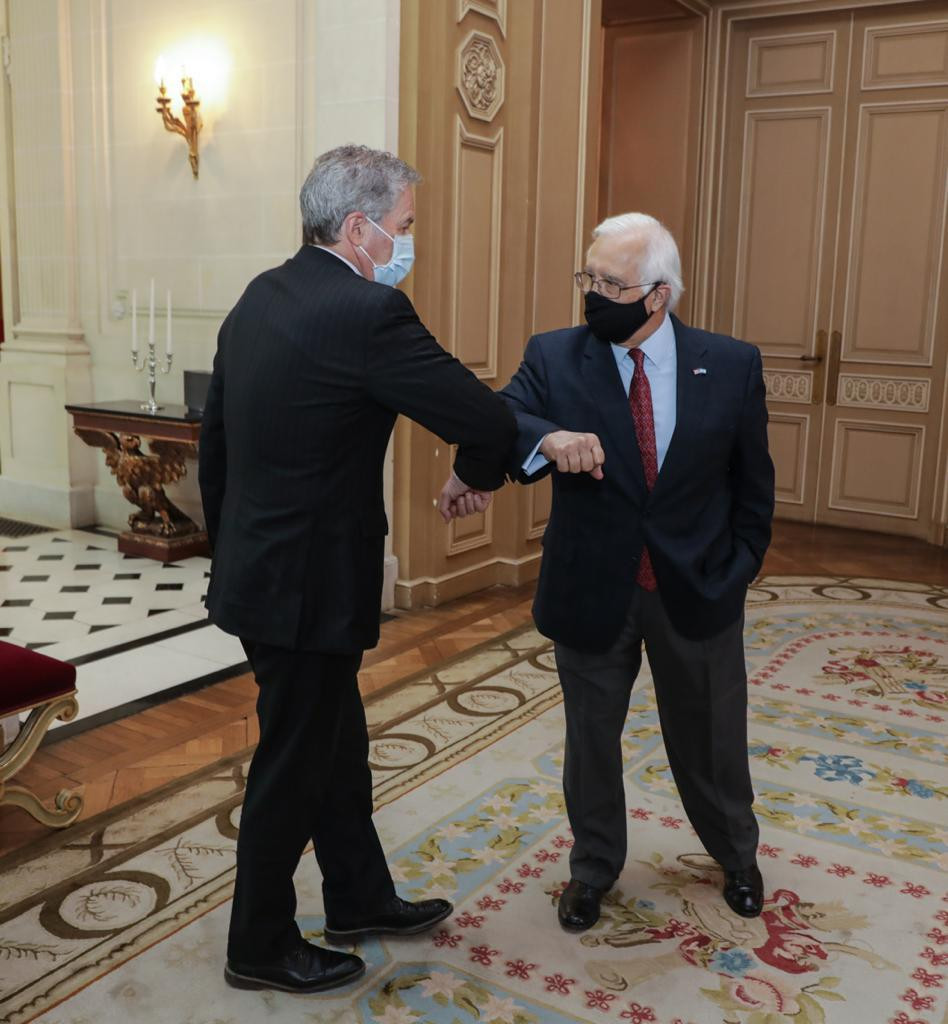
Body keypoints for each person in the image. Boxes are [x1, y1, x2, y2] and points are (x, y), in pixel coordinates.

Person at [199, 144, 516, 994]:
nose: (408, 244)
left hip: (260, 577)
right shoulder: (370, 312)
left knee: (335, 749)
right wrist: (481, 471)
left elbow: (216, 445)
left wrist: (230, 559)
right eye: (404, 227)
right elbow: (480, 414)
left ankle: (360, 897)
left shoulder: (258, 297)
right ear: (358, 227)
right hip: (308, 590)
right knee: (294, 764)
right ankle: (257, 944)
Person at [460, 212, 775, 931]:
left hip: (697, 587)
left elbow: (753, 484)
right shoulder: (554, 355)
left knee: (711, 739)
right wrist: (549, 436)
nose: (593, 292)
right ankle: (593, 868)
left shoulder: (730, 363)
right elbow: (506, 420)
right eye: (588, 277)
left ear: (658, 295)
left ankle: (737, 855)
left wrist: (739, 566)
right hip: (591, 585)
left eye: (611, 282)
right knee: (590, 742)